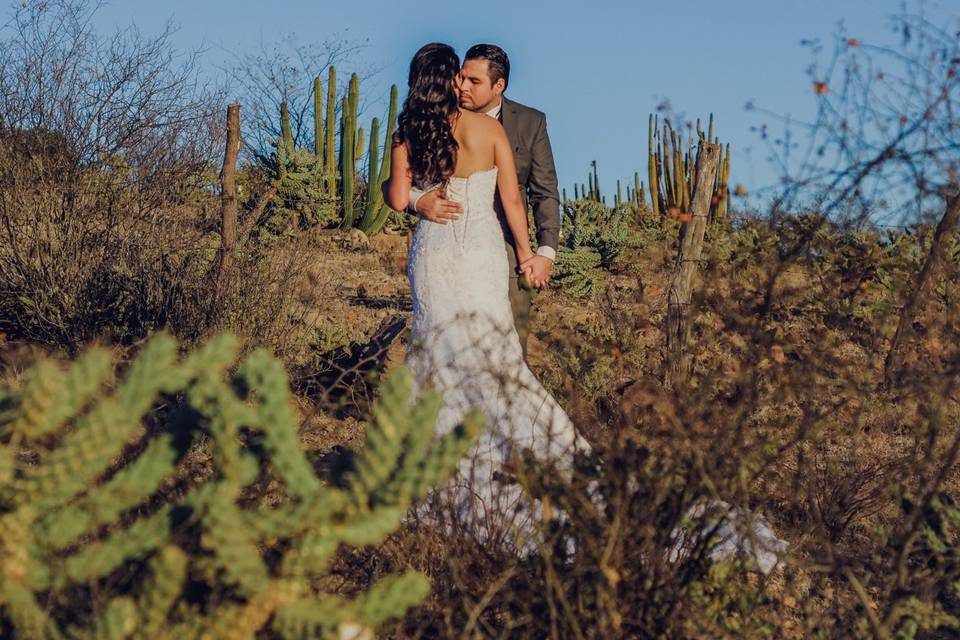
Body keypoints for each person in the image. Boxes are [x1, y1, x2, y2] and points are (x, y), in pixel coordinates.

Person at [384, 43, 587, 548]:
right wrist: (525, 254)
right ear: (452, 80)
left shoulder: (409, 131)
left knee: (434, 353)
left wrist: (420, 200)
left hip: (432, 256)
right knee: (495, 357)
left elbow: (393, 197)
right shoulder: (488, 130)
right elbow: (513, 200)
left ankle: (430, 474)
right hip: (479, 255)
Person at [406, 43, 561, 360]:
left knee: (507, 344)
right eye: (461, 77)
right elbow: (393, 184)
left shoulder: (530, 123)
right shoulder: (432, 116)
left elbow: (544, 190)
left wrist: (543, 252)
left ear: (498, 85)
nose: (462, 87)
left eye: (474, 82)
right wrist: (418, 200)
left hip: (504, 244)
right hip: (443, 243)